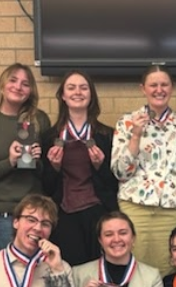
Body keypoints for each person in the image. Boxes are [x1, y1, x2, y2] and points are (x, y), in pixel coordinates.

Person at [111, 65, 176, 270]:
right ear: (143, 89)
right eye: (153, 85)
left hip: (171, 210)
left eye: (164, 84)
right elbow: (120, 172)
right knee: (135, 271)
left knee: (171, 270)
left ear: (171, 88)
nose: (159, 89)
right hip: (135, 208)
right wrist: (136, 135)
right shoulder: (127, 122)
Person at [0, 63, 51, 255]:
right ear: (2, 85)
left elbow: (48, 174)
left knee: (34, 275)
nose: (18, 87)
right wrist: (10, 161)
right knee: (3, 277)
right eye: (13, 80)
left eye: (25, 84)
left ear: (31, 91)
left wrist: (38, 161)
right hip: (0, 214)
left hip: (34, 213)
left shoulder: (38, 120)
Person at [41, 70, 119, 266]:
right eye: (71, 87)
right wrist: (55, 167)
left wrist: (100, 166)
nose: (78, 92)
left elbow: (116, 183)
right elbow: (45, 186)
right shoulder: (49, 137)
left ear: (91, 95)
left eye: (83, 88)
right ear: (63, 96)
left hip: (99, 213)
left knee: (99, 272)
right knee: (70, 271)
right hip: (64, 215)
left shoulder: (107, 135)